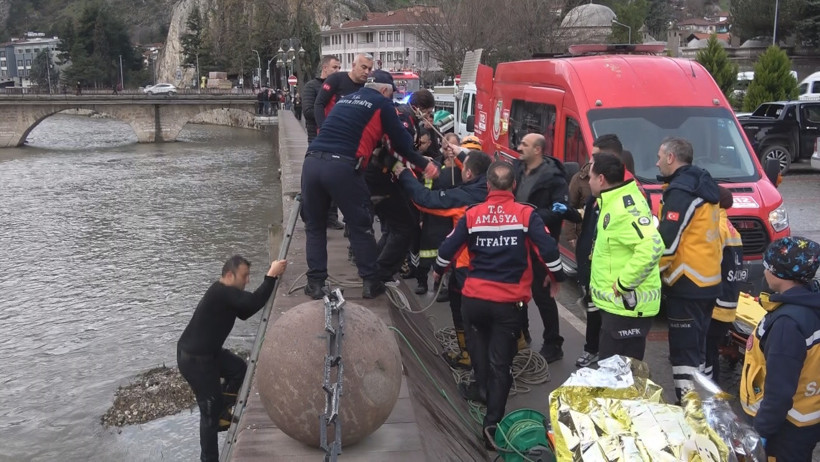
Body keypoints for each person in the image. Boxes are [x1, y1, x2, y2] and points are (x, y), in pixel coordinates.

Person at [433, 161, 566, 449]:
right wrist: (556, 278)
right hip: (507, 304)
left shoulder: (472, 214)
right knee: (500, 364)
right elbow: (548, 250)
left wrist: (437, 271)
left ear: (488, 186)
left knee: (478, 352)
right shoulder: (525, 214)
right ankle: (492, 425)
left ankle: (481, 390)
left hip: (473, 300)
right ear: (514, 186)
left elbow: (447, 250)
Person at [301, 70, 438, 300]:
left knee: (314, 227)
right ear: (385, 91)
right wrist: (424, 164)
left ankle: (315, 283)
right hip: (343, 166)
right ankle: (371, 282)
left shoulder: (346, 99)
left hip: (312, 162)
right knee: (360, 225)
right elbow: (402, 144)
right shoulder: (382, 104)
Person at [177, 256, 288, 462]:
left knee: (238, 369)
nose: (247, 281)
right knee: (208, 414)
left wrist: (269, 278)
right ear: (229, 275)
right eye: (244, 276)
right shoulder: (221, 292)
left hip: (209, 354)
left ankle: (222, 412)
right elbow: (253, 302)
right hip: (194, 360)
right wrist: (270, 276)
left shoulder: (229, 295)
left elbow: (245, 312)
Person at [394, 149, 491, 369]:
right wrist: (460, 154)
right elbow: (481, 168)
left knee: (466, 314)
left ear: (466, 173)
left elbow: (425, 200)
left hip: (468, 268)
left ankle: (473, 360)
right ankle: (496, 352)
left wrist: (404, 174)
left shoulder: (466, 197)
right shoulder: (497, 184)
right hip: (496, 266)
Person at [740, 236, 820, 461]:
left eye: (766, 267)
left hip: (784, 428)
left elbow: (779, 391)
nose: (764, 272)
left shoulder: (788, 324)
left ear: (779, 274)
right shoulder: (809, 303)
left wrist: (761, 431)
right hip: (805, 418)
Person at [655, 136, 722, 402]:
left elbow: (666, 246)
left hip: (686, 282)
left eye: (660, 155)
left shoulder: (681, 192)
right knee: (700, 351)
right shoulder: (703, 183)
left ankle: (689, 409)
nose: (657, 161)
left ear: (671, 157)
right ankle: (704, 403)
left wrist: (642, 275)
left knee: (684, 354)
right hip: (707, 281)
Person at [587, 153, 662, 361]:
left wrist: (623, 285)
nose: (588, 181)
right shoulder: (613, 201)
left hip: (626, 310)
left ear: (601, 179)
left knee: (619, 382)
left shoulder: (624, 209)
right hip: (618, 310)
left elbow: (652, 247)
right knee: (616, 379)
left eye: (590, 176)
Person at [513, 133, 579, 363]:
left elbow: (558, 210)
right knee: (518, 290)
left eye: (525, 144)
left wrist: (529, 216)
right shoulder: (517, 168)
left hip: (540, 242)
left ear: (538, 150)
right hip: (518, 240)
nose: (520, 147)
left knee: (542, 294)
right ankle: (522, 333)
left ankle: (553, 343)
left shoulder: (554, 178)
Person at [569, 134, 624, 368]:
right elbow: (588, 220)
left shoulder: (625, 197)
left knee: (608, 320)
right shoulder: (595, 197)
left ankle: (608, 357)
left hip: (610, 274)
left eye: (594, 157)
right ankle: (592, 349)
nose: (589, 162)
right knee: (592, 311)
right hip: (591, 265)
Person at [704, 186, 743, 384]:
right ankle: (713, 388)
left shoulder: (715, 228)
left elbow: (709, 263)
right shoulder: (730, 228)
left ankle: (709, 392)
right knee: (711, 349)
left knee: (706, 352)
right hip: (728, 302)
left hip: (715, 304)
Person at [313, 53, 374, 128]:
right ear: (353, 65)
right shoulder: (335, 79)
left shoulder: (368, 87)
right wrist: (323, 128)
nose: (367, 72)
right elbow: (319, 104)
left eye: (369, 69)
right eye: (363, 67)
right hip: (332, 130)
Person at [303, 55, 342, 143]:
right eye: (335, 67)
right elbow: (308, 111)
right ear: (325, 68)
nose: (338, 71)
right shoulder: (311, 86)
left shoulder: (339, 87)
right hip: (317, 137)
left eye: (339, 68)